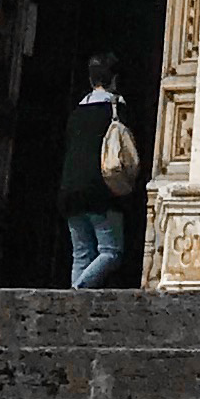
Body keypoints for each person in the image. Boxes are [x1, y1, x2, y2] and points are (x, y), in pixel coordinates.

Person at [58, 52, 134, 289]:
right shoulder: (116, 108)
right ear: (115, 79)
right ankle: (76, 292)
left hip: (69, 190)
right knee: (110, 252)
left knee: (81, 254)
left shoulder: (75, 112)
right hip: (100, 191)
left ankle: (71, 306)